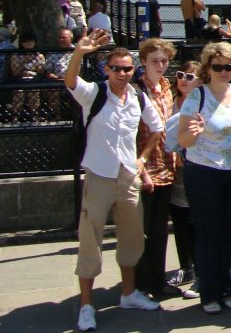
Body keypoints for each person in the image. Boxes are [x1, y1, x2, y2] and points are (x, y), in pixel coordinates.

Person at [64, 31, 164, 332]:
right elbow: (70, 82)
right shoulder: (94, 93)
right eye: (116, 68)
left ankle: (128, 293)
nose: (122, 73)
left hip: (127, 176)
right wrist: (78, 53)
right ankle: (86, 305)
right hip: (98, 174)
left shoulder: (138, 97)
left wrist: (143, 159)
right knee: (91, 240)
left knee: (132, 236)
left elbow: (156, 128)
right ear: (106, 70)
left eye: (127, 68)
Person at [177, 42, 231, 315]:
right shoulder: (196, 96)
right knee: (208, 233)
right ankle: (209, 292)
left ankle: (227, 289)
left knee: (229, 233)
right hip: (204, 171)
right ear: (208, 68)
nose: (223, 71)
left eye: (228, 67)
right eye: (217, 66)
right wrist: (194, 132)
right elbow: (182, 139)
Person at [133, 38, 178, 298]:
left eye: (164, 61)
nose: (160, 66)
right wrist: (142, 170)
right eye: (154, 61)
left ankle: (158, 280)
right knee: (143, 230)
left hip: (166, 166)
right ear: (143, 62)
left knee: (160, 229)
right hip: (146, 168)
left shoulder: (166, 87)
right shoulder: (137, 90)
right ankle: (142, 282)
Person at [167, 61, 201, 300]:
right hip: (173, 173)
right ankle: (185, 267)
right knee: (178, 220)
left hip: (193, 168)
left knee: (194, 221)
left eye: (190, 76)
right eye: (180, 75)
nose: (184, 79)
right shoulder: (170, 102)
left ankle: (200, 270)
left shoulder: (200, 103)